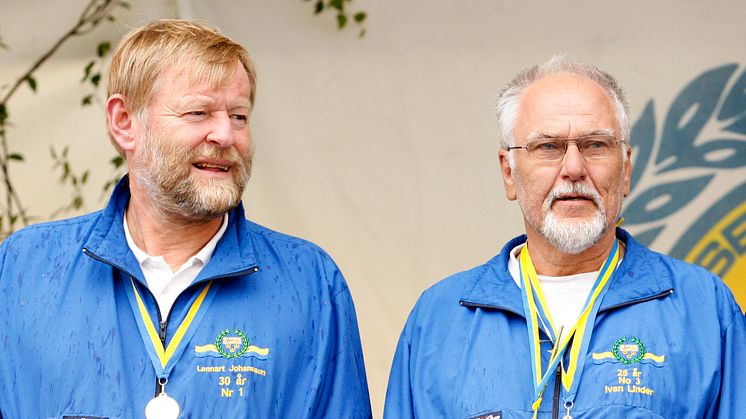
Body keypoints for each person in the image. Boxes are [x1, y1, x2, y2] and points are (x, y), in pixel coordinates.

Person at [0, 19, 371, 418]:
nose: (226, 135)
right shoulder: (22, 269)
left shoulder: (310, 284)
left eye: (240, 116)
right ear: (124, 121)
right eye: (199, 112)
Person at [384, 56, 746, 418]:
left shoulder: (704, 310)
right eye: (548, 147)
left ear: (626, 170)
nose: (573, 168)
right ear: (509, 172)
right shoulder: (439, 319)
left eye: (595, 146)